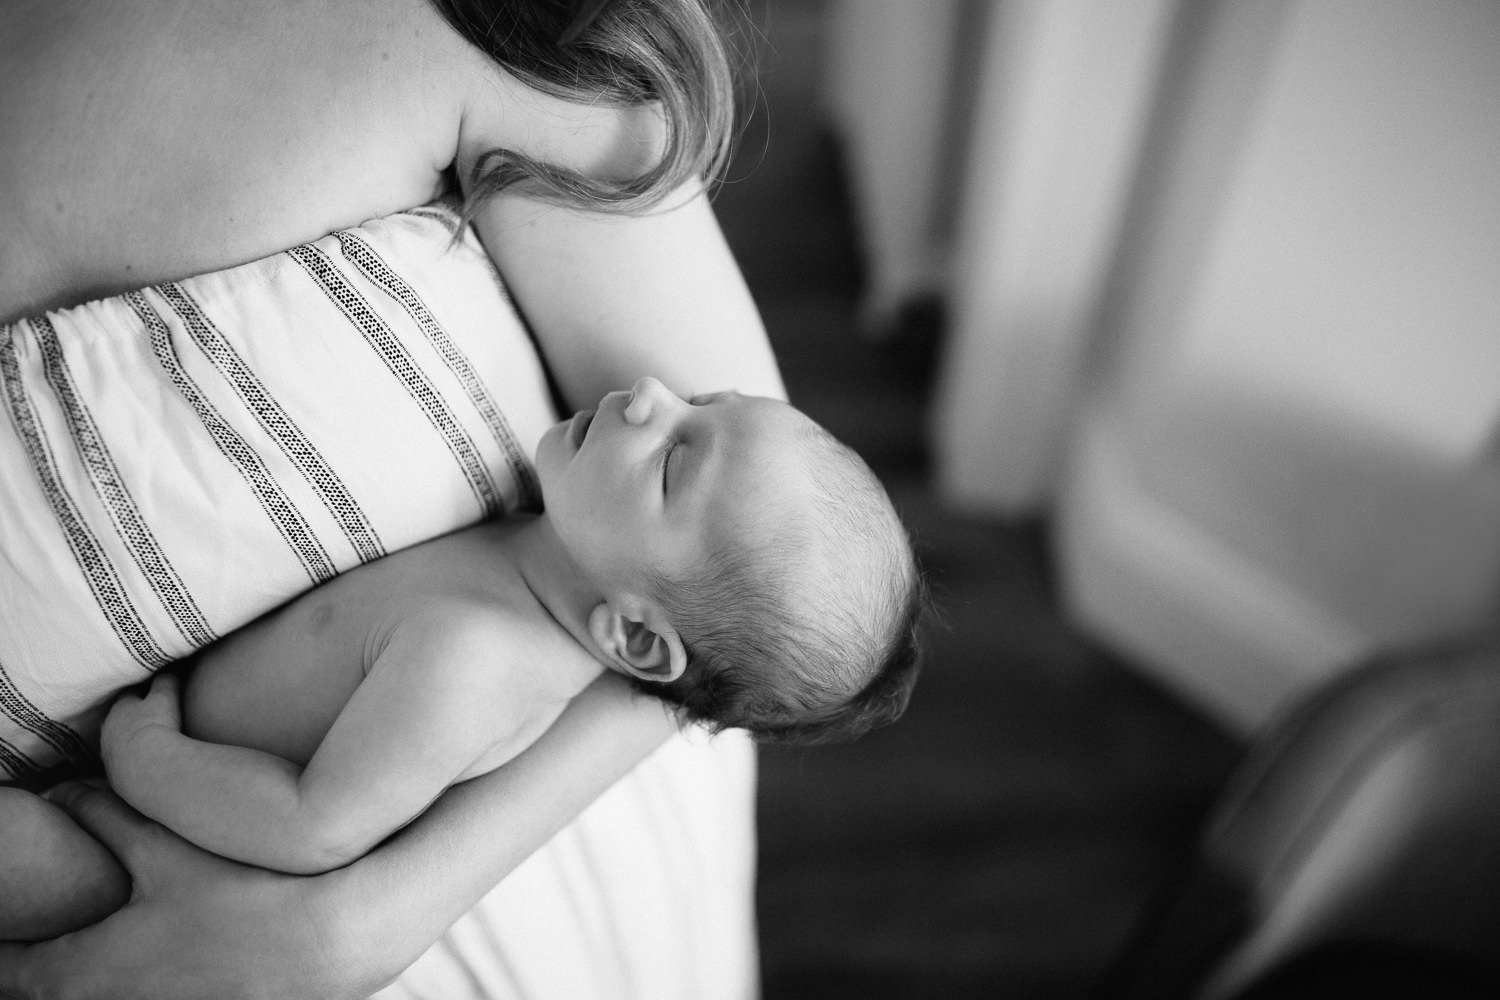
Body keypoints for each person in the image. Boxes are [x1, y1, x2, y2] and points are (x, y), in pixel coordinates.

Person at [0, 0, 797, 996]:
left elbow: (744, 588)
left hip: (511, 875)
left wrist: (359, 925)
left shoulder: (522, 29)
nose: (656, 410)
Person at [3, 376, 921, 938]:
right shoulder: (539, 555)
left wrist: (149, 760)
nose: (650, 393)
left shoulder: (479, 662)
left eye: (674, 462)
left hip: (145, 832)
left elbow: (315, 824)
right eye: (708, 400)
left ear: (635, 637)